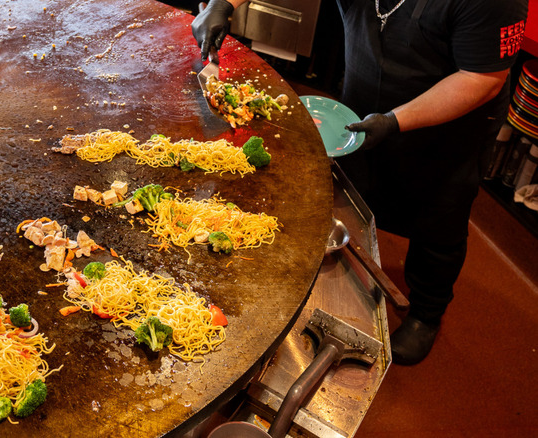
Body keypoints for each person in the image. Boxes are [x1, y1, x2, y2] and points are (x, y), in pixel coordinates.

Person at [192, 0, 528, 365]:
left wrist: (395, 120)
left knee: (438, 222)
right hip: (367, 93)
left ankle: (426, 313)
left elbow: (482, 78)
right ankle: (347, 276)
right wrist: (226, 2)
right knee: (353, 196)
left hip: (447, 131)